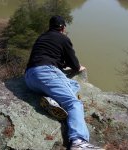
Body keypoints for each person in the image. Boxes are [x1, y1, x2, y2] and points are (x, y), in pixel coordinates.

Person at [25, 15, 104, 150]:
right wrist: (79, 68)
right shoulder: (63, 38)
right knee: (74, 104)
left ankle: (52, 101)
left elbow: (52, 57)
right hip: (46, 73)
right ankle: (78, 142)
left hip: (29, 78)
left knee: (73, 85)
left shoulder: (42, 38)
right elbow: (74, 63)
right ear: (62, 27)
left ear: (50, 27)